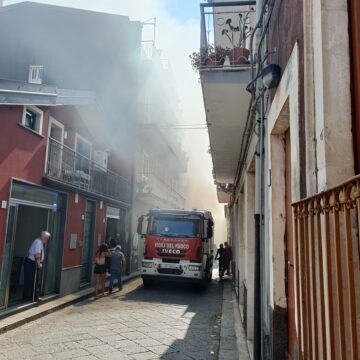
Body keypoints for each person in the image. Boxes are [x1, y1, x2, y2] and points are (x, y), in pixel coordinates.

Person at [23, 231, 50, 301]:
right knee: (34, 280)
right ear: (44, 238)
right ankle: (33, 297)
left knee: (30, 280)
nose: (47, 241)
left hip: (31, 262)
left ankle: (29, 296)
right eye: (47, 239)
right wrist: (39, 264)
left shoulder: (38, 242)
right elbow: (37, 255)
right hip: (31, 263)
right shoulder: (38, 242)